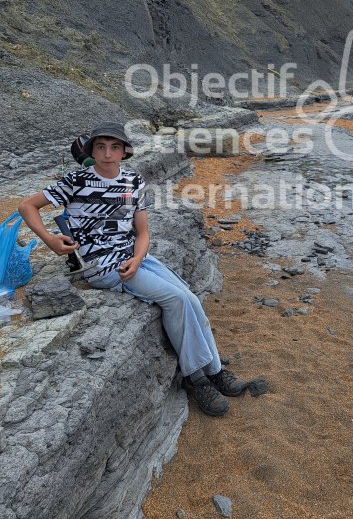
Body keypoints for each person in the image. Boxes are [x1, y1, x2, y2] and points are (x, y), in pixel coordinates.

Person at [18, 121, 246, 417]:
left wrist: (138, 259)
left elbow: (143, 234)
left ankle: (214, 370)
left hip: (132, 258)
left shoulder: (134, 182)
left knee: (188, 295)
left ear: (125, 151)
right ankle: (196, 378)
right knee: (176, 300)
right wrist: (49, 240)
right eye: (101, 147)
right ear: (92, 151)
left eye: (114, 147)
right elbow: (27, 206)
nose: (108, 154)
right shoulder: (76, 181)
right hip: (100, 265)